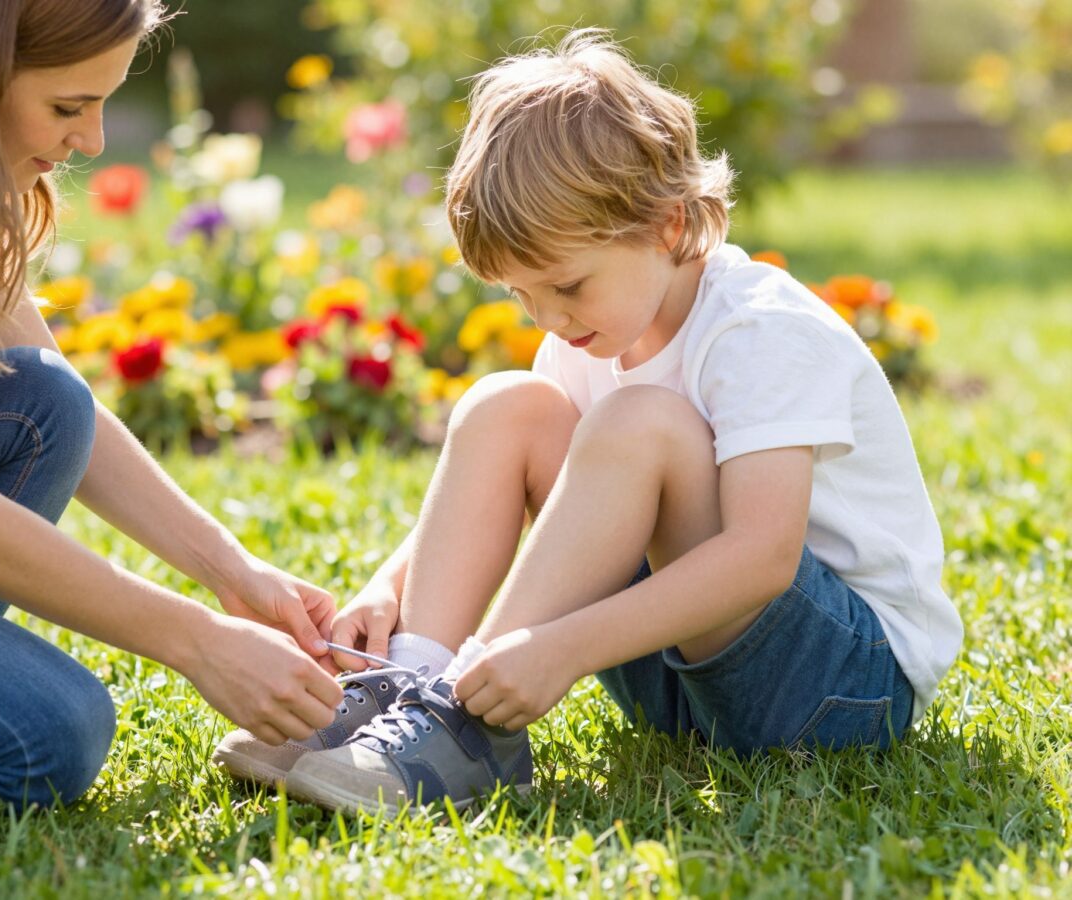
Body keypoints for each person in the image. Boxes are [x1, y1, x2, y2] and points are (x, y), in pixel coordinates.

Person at [213, 29, 963, 816]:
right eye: (521, 294)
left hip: (841, 688)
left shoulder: (758, 329)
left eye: (567, 285)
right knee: (507, 407)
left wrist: (557, 649)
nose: (548, 316)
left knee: (642, 423)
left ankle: (463, 727)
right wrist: (387, 590)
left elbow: (762, 558)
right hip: (683, 676)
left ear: (670, 225)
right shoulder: (589, 332)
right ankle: (416, 682)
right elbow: (526, 493)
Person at [0, 0, 344, 815]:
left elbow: (55, 389)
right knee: (51, 739)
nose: (89, 142)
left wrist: (235, 574)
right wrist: (198, 642)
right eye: (67, 107)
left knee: (42, 401)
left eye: (101, 104)